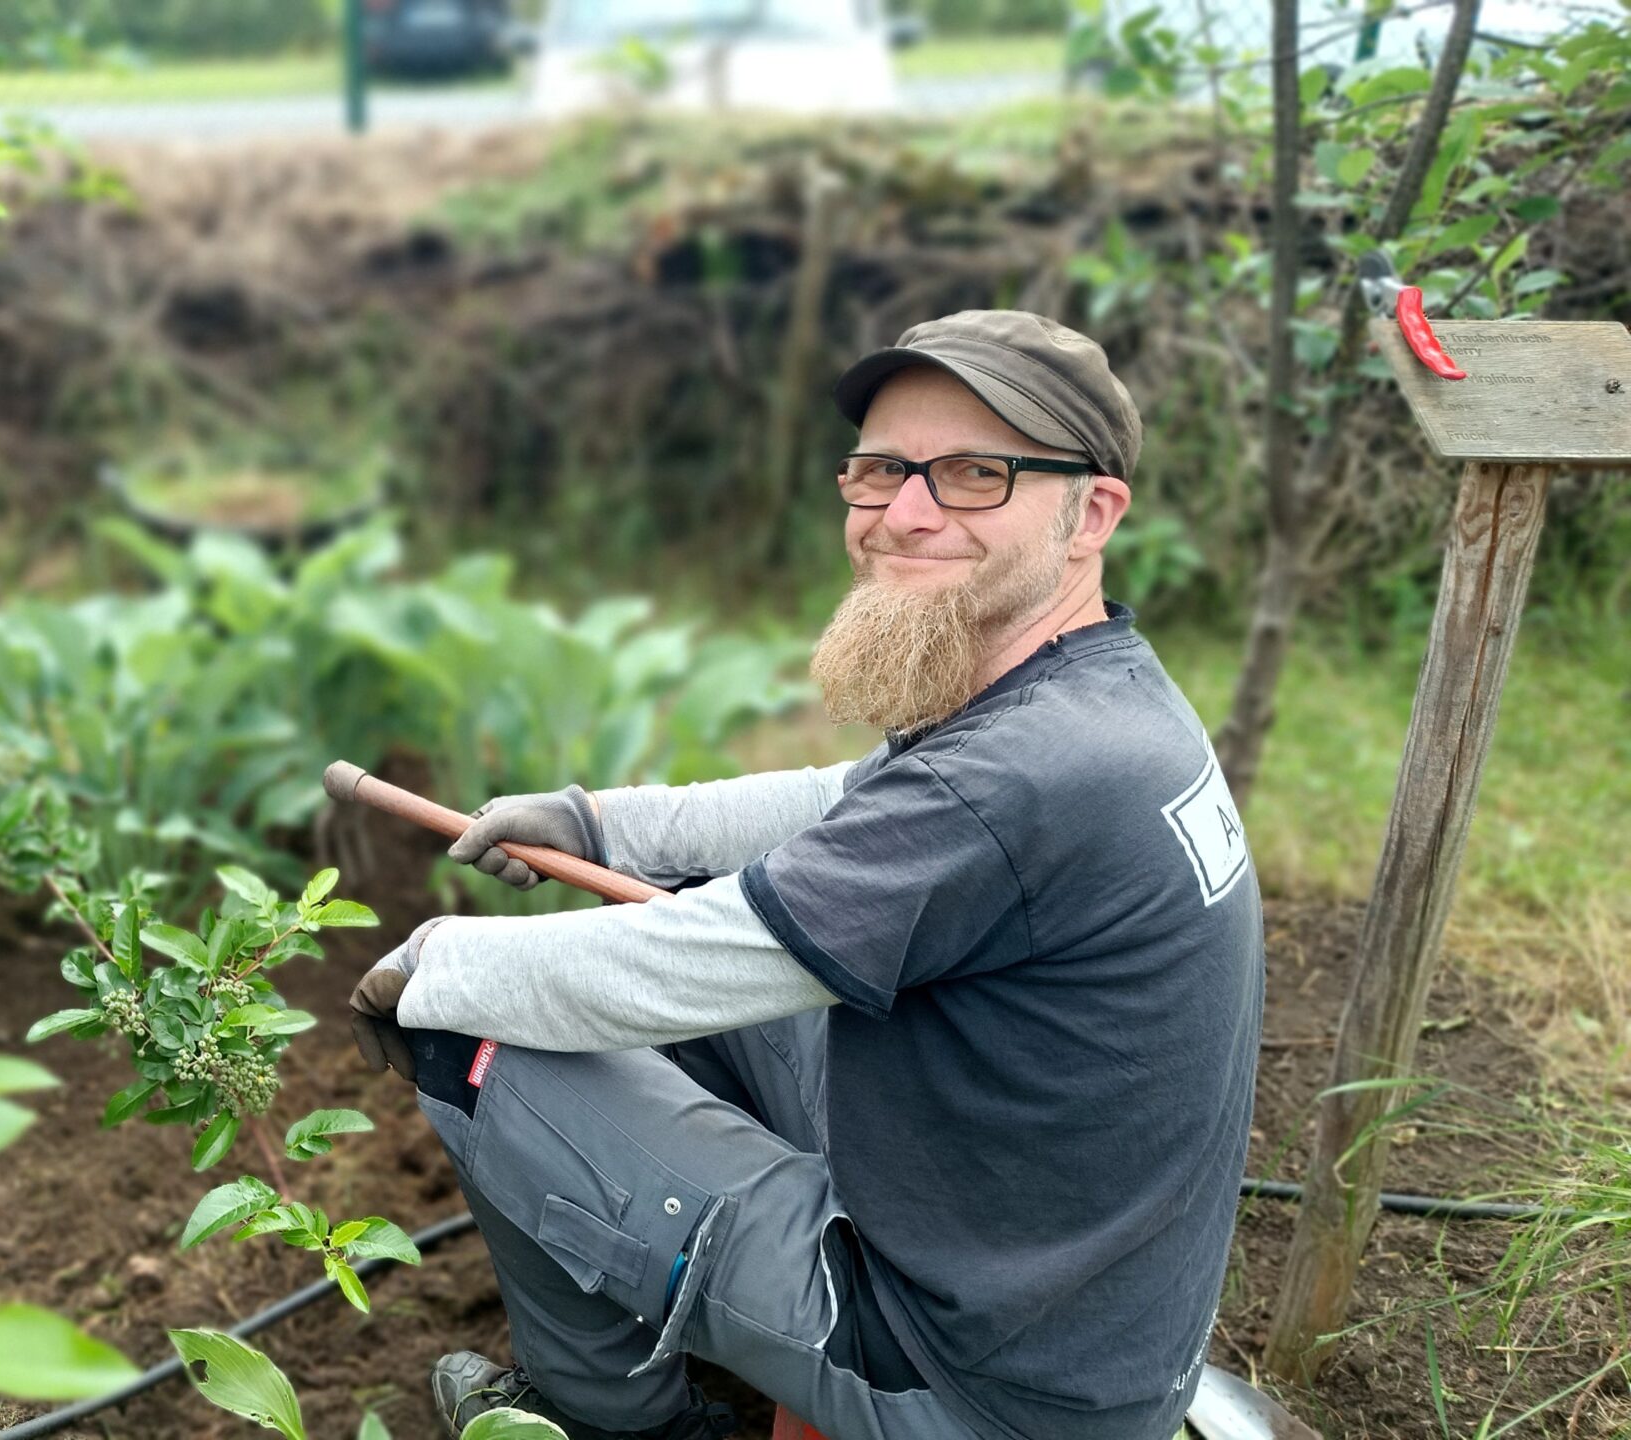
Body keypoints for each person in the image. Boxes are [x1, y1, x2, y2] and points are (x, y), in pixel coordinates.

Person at [347, 312, 1263, 1440]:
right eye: (881, 471)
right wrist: (599, 824)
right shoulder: (1092, 694)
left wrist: (434, 969)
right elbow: (844, 801)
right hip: (1067, 1305)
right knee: (630, 954)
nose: (906, 512)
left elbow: (699, 962)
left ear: (1092, 514)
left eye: (977, 475)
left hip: (970, 1377)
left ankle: (610, 1422)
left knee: (479, 1037)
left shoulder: (1028, 773)